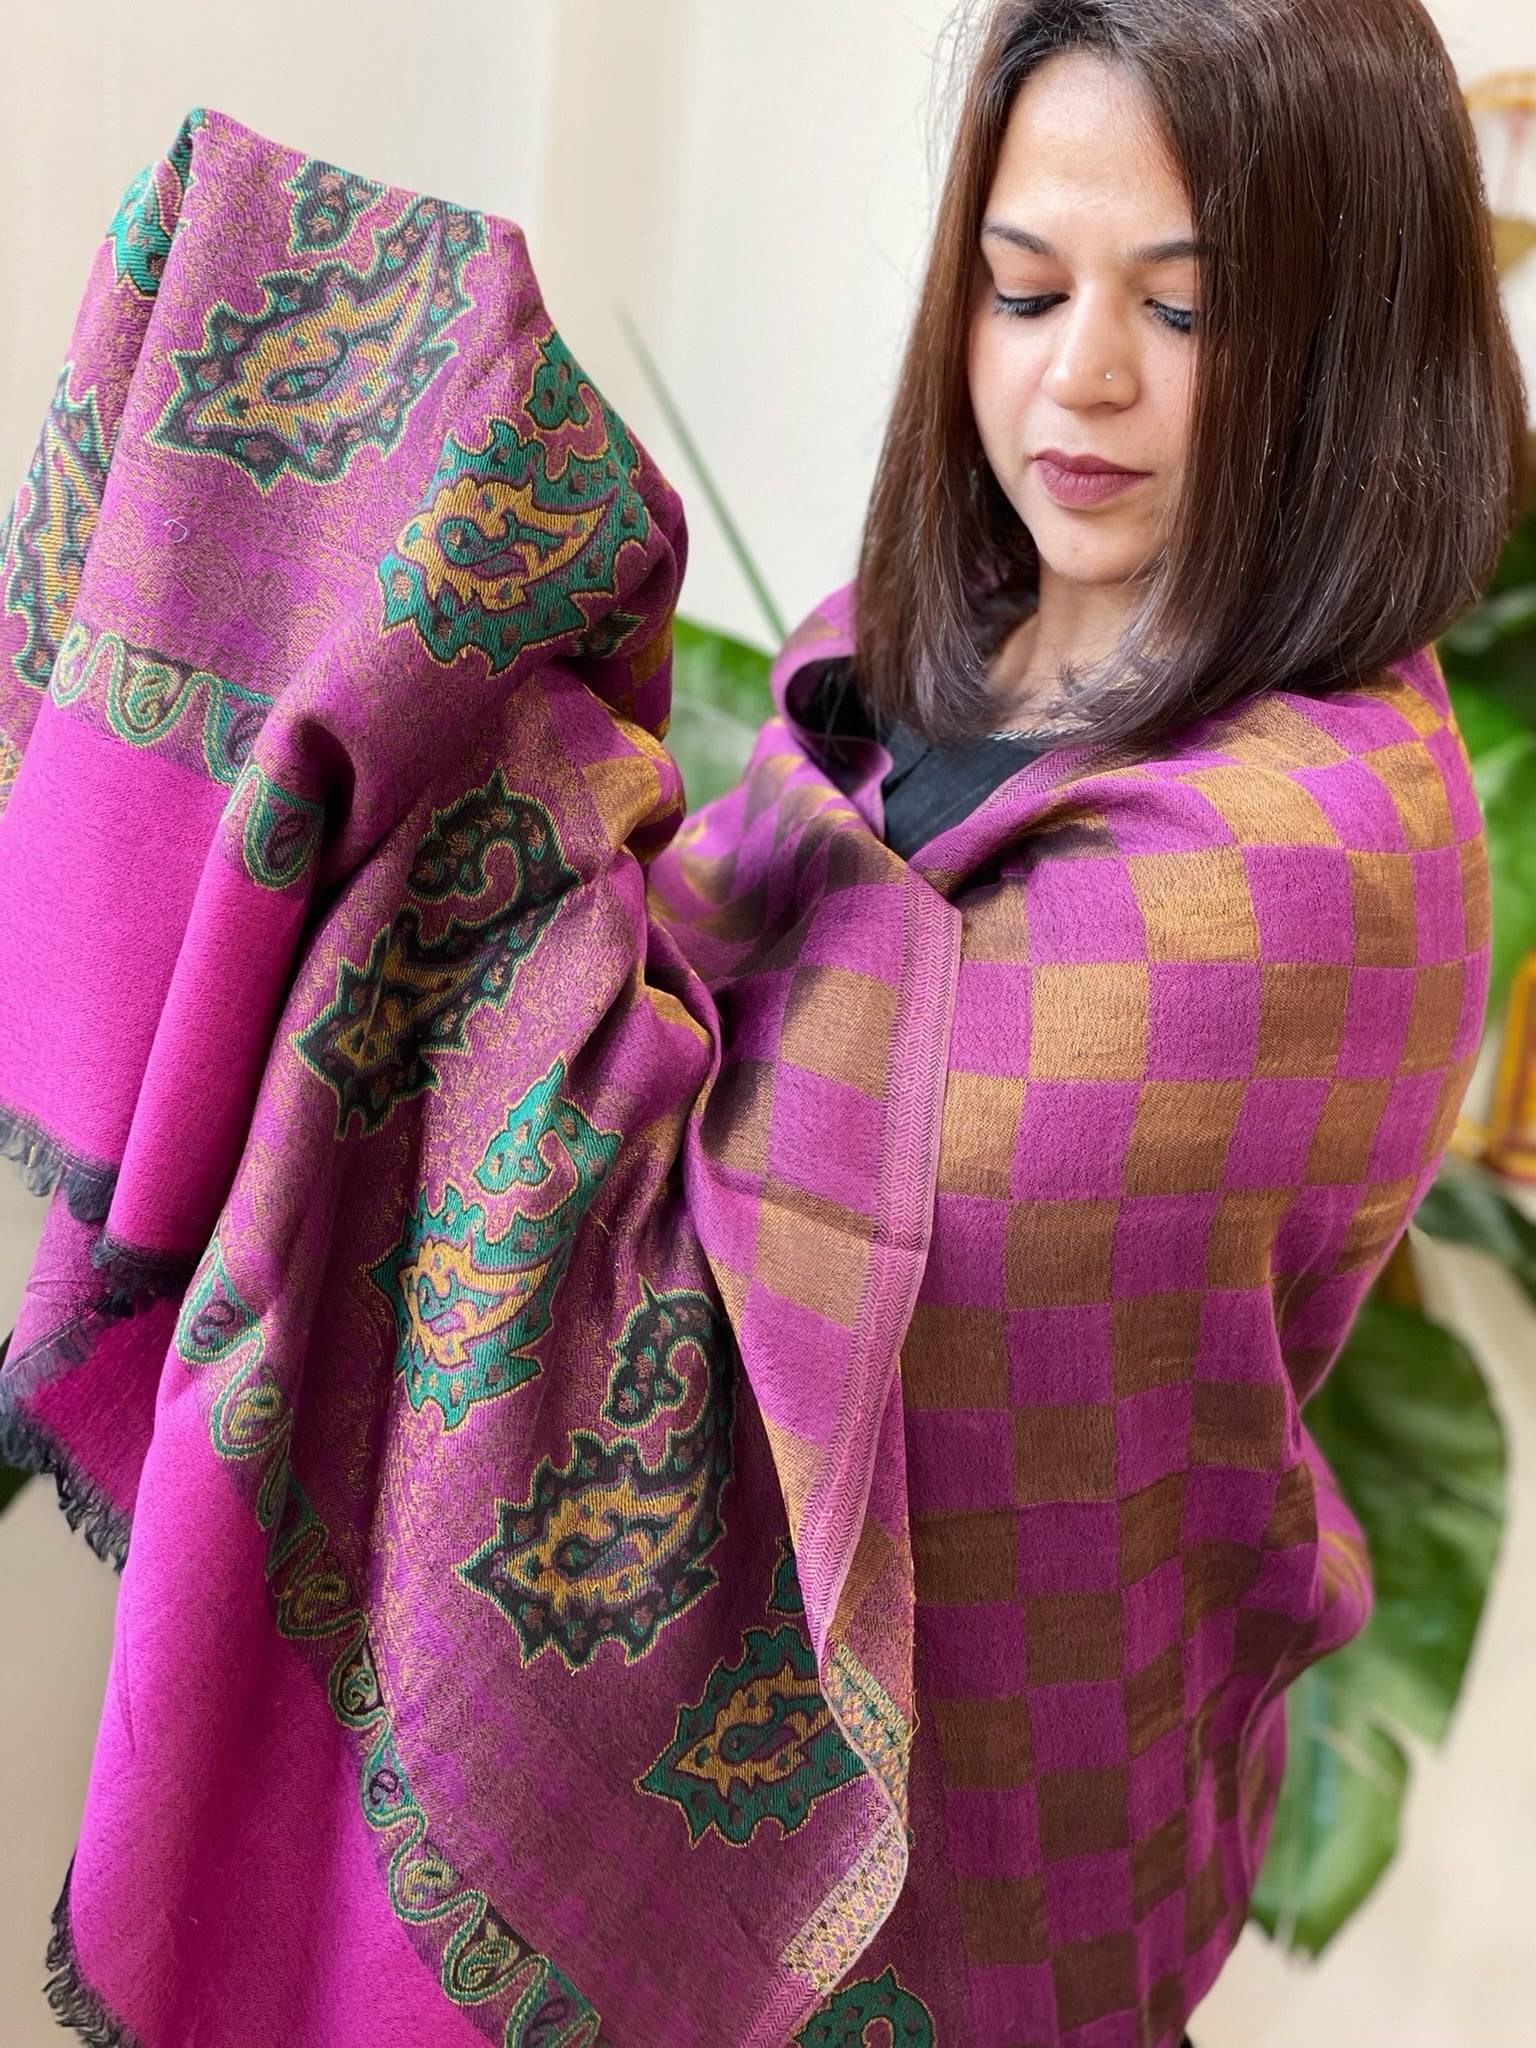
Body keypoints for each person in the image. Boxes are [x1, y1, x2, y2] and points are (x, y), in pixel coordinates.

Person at [0, 2, 1522, 2045]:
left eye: (1186, 310)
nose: (1078, 376)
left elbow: (793, 1292)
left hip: (996, 1861)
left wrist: (492, 812)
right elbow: (712, 1032)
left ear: (1354, 340)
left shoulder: (1311, 868)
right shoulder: (903, 649)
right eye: (1023, 287)